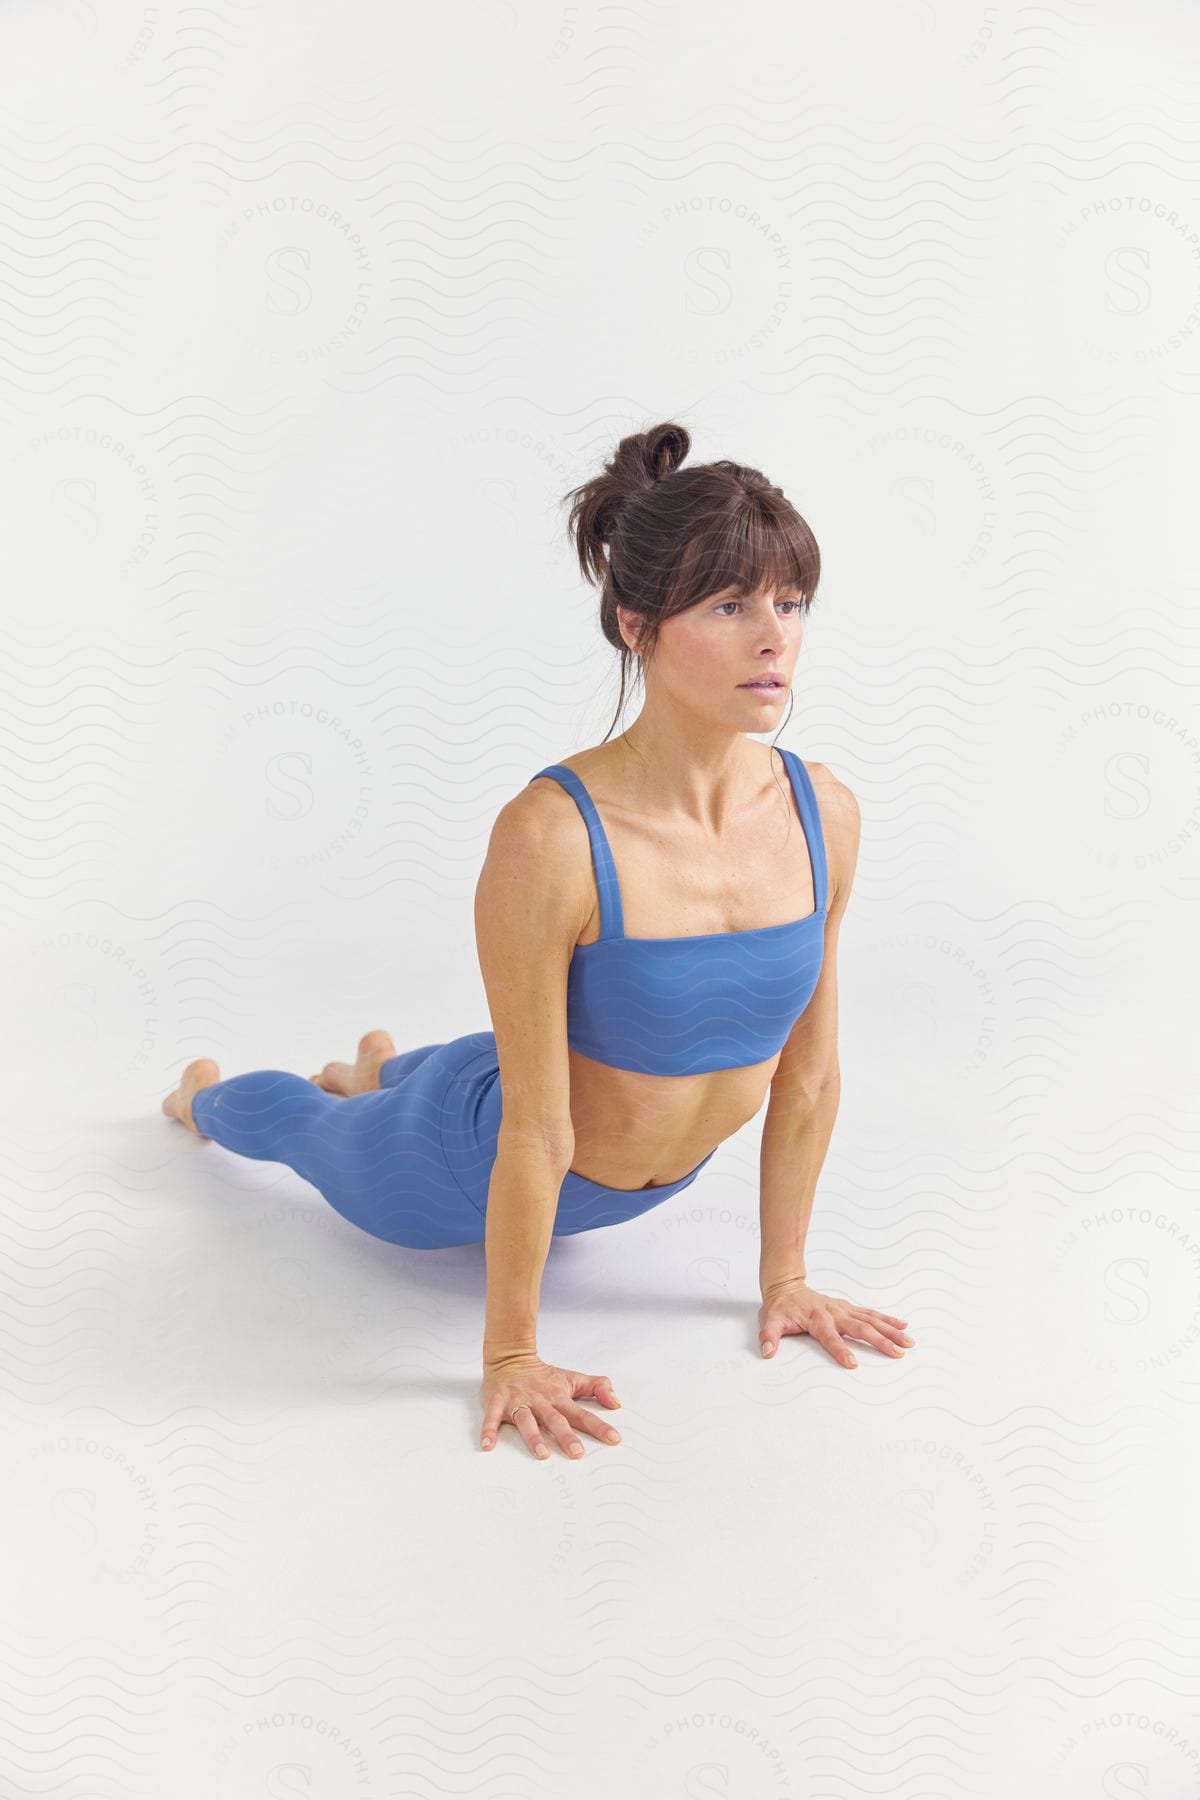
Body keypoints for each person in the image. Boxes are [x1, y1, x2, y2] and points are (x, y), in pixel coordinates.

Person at [161, 420, 915, 1460]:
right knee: (309, 1130)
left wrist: (783, 1279)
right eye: (731, 606)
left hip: (593, 1135)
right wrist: (511, 1354)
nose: (774, 637)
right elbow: (533, 1129)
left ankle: (375, 1064)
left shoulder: (823, 811)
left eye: (790, 602)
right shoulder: (554, 837)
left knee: (457, 1066)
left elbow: (811, 1078)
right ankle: (201, 1096)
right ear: (635, 624)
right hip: (461, 1160)